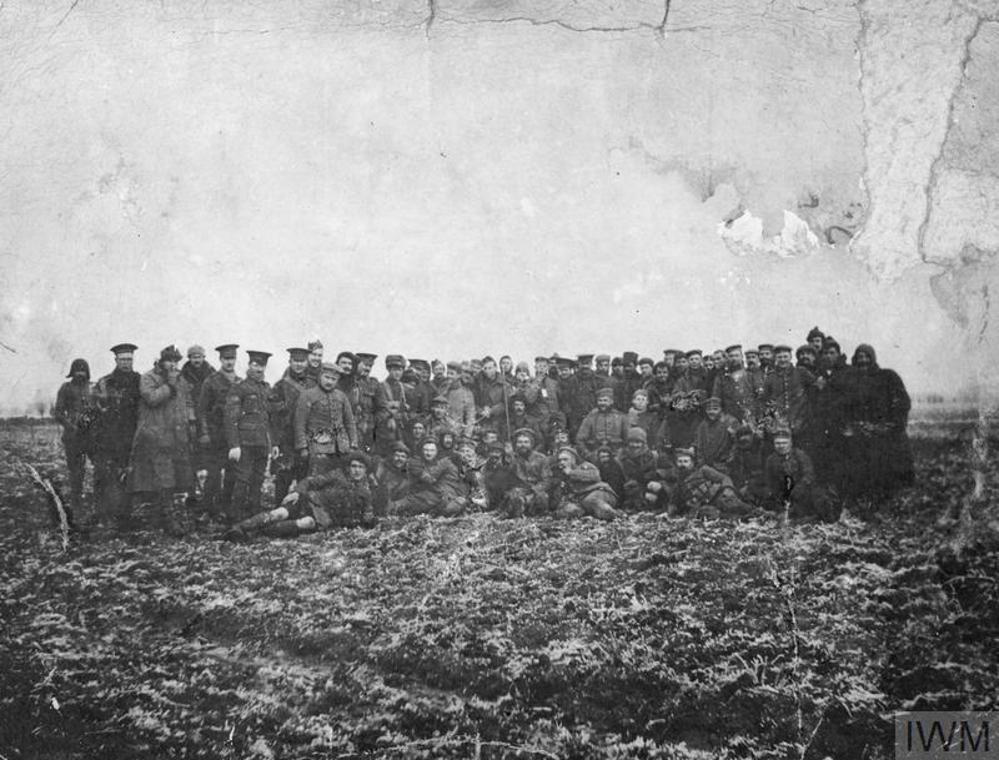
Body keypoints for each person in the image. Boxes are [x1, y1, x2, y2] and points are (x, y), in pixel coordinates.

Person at [221, 451, 376, 541]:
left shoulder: (365, 492)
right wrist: (297, 492)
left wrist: (367, 520)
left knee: (305, 523)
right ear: (348, 467)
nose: (356, 470)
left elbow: (366, 516)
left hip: (322, 516)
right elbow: (310, 481)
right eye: (353, 466)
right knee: (279, 513)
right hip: (308, 501)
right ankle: (238, 529)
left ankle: (257, 534)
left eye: (360, 467)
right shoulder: (336, 475)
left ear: (365, 470)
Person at [127, 346, 196, 534]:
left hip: (177, 437)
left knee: (177, 478)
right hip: (156, 437)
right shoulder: (148, 378)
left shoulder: (181, 380)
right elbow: (151, 398)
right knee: (163, 479)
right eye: (169, 361)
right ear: (161, 361)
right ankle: (168, 520)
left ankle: (166, 517)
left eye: (176, 361)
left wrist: (191, 426)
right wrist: (169, 386)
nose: (173, 365)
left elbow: (187, 404)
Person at [839, 343, 915, 499]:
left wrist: (890, 424)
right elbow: (844, 405)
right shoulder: (850, 380)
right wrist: (853, 424)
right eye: (860, 357)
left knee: (887, 461)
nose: (863, 361)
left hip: (883, 427)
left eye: (867, 357)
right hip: (860, 428)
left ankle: (892, 493)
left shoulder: (887, 376)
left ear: (872, 358)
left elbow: (901, 402)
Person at [92, 344, 141, 525]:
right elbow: (95, 410)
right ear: (116, 360)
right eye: (122, 360)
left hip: (131, 436)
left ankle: (125, 515)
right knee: (105, 476)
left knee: (127, 475)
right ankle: (103, 514)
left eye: (129, 359)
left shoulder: (139, 381)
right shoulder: (105, 382)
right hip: (109, 437)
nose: (126, 363)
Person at [225, 350, 273, 521]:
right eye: (255, 365)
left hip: (262, 443)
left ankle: (254, 514)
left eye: (262, 366)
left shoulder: (266, 389)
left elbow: (270, 419)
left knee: (258, 480)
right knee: (242, 480)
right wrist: (234, 445)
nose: (259, 369)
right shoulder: (239, 388)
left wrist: (272, 443)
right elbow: (231, 419)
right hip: (245, 443)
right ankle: (235, 517)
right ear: (249, 365)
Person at [195, 344, 241, 520]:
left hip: (233, 437)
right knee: (213, 474)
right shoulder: (211, 381)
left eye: (232, 359)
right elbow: (201, 410)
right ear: (220, 360)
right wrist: (204, 433)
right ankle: (207, 508)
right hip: (216, 435)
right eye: (226, 359)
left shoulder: (239, 382)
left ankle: (225, 507)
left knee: (231, 474)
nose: (229, 362)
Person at [268, 347, 313, 507]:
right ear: (290, 362)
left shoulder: (313, 385)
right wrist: (275, 442)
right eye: (296, 361)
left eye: (302, 361)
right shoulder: (280, 386)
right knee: (283, 477)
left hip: (306, 438)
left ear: (307, 362)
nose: (299, 365)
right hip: (286, 439)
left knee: (304, 476)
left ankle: (301, 509)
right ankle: (278, 509)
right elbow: (273, 415)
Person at [295, 362, 358, 475]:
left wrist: (353, 444)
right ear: (320, 377)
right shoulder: (308, 395)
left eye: (333, 379)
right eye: (327, 377)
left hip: (341, 448)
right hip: (317, 447)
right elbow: (300, 423)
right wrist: (302, 447)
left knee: (340, 479)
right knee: (318, 479)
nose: (329, 382)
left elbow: (349, 422)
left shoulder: (341, 396)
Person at [55, 358, 98, 514]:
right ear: (72, 372)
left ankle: (99, 501)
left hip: (92, 435)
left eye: (83, 371)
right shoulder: (65, 388)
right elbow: (58, 412)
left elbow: (99, 409)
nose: (80, 374)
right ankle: (77, 503)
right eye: (77, 371)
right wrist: (70, 425)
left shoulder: (93, 388)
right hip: (73, 437)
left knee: (100, 467)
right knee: (76, 472)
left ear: (87, 372)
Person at [764, 428, 835, 521]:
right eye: (778, 443)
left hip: (803, 492)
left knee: (819, 497)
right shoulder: (771, 460)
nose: (781, 446)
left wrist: (799, 488)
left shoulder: (800, 455)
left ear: (790, 443)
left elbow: (809, 474)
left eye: (784, 443)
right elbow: (770, 481)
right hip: (783, 494)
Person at [389, 438, 470, 517]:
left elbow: (453, 482)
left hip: (438, 498)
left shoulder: (443, 463)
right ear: (421, 451)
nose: (428, 453)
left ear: (437, 451)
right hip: (418, 497)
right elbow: (427, 479)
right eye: (426, 450)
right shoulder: (416, 462)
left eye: (432, 451)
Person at [670, 447, 757, 519]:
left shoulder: (703, 470)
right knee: (707, 513)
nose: (682, 465)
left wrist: (728, 491)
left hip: (719, 496)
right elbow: (673, 504)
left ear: (692, 463)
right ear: (676, 464)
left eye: (686, 461)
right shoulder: (678, 485)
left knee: (734, 505)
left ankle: (759, 513)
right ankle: (741, 518)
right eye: (680, 462)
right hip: (707, 505)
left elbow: (724, 478)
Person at [550, 446, 619, 521]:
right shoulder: (561, 473)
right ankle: (589, 514)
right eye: (560, 460)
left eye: (565, 459)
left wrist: (571, 473)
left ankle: (609, 513)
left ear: (573, 460)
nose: (562, 462)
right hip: (579, 499)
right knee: (571, 510)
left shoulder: (586, 466)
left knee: (592, 500)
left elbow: (595, 476)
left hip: (600, 492)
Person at [500, 428, 552, 518]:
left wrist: (533, 491)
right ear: (515, 445)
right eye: (519, 442)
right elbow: (505, 477)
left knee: (542, 497)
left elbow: (547, 480)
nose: (522, 445)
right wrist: (507, 457)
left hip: (535, 490)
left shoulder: (541, 458)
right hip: (519, 490)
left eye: (526, 442)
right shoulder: (512, 458)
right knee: (513, 497)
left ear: (531, 444)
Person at [616, 428, 672, 511]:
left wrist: (658, 477)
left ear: (644, 443)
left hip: (650, 490)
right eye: (631, 442)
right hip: (627, 493)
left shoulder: (655, 456)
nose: (634, 445)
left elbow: (671, 472)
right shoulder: (620, 458)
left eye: (638, 442)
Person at [575, 386, 629, 461]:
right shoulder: (591, 417)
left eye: (605, 400)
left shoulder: (621, 417)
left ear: (611, 401)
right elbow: (579, 439)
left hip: (616, 454)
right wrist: (589, 455)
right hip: (595, 454)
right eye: (600, 401)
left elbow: (628, 439)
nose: (602, 403)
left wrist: (621, 454)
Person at [712, 345, 757, 425]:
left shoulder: (750, 375)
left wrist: (754, 415)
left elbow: (758, 397)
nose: (734, 358)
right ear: (727, 358)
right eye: (731, 356)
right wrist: (723, 417)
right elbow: (716, 399)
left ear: (742, 357)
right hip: (729, 419)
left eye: (737, 355)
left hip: (749, 417)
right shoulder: (721, 378)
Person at [374, 355, 410, 455]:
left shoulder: (401, 387)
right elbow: (382, 405)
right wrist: (395, 409)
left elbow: (403, 406)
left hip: (398, 426)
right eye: (394, 369)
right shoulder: (381, 386)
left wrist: (400, 408)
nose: (398, 373)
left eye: (400, 370)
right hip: (384, 427)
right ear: (389, 370)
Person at [692, 397, 737, 471]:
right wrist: (701, 463)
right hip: (705, 465)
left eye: (715, 409)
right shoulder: (702, 425)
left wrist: (729, 460)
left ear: (721, 409)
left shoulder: (730, 422)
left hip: (725, 465)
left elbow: (736, 443)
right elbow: (699, 444)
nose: (711, 412)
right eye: (709, 409)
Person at [353, 352, 380, 451]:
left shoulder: (374, 383)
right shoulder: (351, 382)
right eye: (364, 365)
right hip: (354, 423)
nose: (367, 368)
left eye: (370, 366)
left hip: (370, 425)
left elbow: (379, 406)